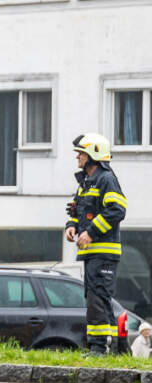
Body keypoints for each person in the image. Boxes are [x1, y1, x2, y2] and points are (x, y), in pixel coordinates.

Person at [65, 133, 127, 356]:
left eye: (80, 153)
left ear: (93, 155)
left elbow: (117, 210)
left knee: (97, 300)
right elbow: (76, 210)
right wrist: (71, 225)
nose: (78, 157)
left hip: (104, 252)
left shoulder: (106, 179)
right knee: (96, 298)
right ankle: (112, 349)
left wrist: (90, 232)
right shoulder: (85, 182)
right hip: (92, 254)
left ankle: (100, 348)